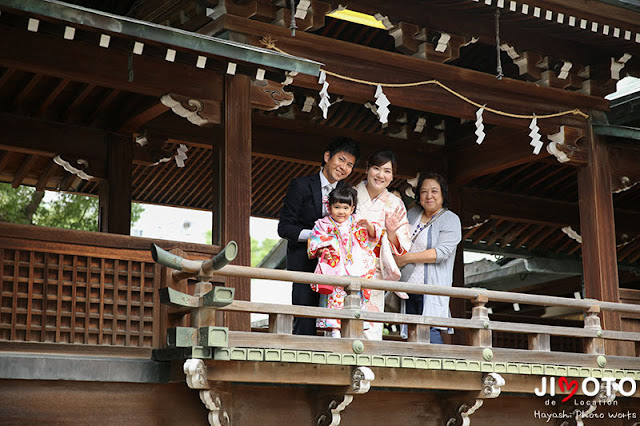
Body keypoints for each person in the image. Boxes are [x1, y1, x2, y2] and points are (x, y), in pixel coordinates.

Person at [278, 137, 361, 335]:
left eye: (350, 164)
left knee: (335, 323)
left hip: (338, 269)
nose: (344, 167)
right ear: (327, 157)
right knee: (305, 321)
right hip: (305, 266)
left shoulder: (348, 193)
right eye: (341, 160)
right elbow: (285, 228)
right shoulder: (301, 185)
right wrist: (318, 237)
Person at [394, 172, 462, 344]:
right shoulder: (413, 213)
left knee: (431, 332)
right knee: (412, 335)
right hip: (408, 288)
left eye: (434, 191)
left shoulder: (450, 219)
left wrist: (407, 258)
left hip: (431, 288)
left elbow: (441, 253)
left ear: (443, 194)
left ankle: (440, 370)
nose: (428, 196)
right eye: (424, 191)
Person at [307, 187, 381, 338]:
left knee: (355, 299)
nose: (341, 212)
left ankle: (355, 329)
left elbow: (373, 236)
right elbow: (314, 242)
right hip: (334, 268)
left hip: (355, 267)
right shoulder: (323, 224)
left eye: (346, 208)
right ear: (329, 207)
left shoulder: (357, 221)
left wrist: (369, 226)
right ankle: (335, 331)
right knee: (334, 300)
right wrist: (322, 250)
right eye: (337, 207)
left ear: (352, 208)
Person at [354, 150, 412, 340]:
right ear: (367, 169)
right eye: (376, 169)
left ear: (393, 175)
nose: (381, 175)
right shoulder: (350, 195)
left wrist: (392, 232)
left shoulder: (395, 204)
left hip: (375, 275)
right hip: (347, 268)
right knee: (343, 326)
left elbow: (403, 244)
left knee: (370, 331)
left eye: (387, 171)